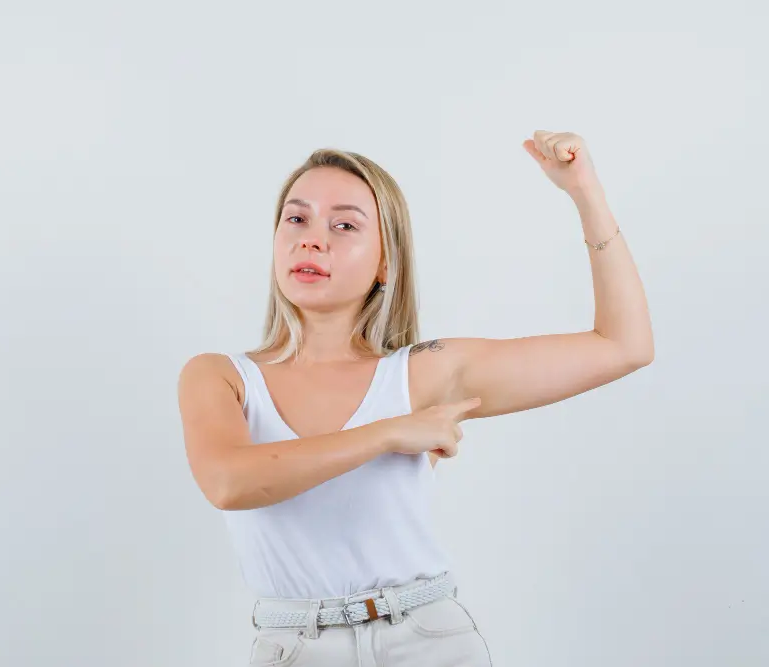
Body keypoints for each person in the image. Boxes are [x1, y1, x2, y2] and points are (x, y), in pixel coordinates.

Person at [177, 131, 654, 666]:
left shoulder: (421, 373)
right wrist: (389, 433)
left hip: (428, 641)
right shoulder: (220, 377)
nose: (312, 239)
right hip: (295, 647)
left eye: (345, 225)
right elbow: (229, 482)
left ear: (386, 263)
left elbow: (624, 346)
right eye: (297, 218)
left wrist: (584, 192)